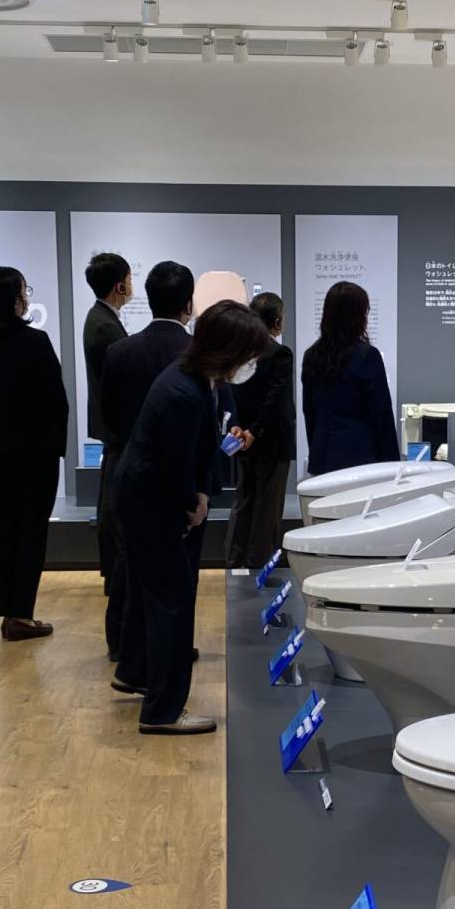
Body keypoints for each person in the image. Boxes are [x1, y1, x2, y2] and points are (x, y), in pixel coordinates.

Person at [113, 300, 274, 734]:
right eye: (247, 355)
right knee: (173, 601)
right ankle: (163, 711)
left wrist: (199, 491)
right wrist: (193, 503)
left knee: (155, 595)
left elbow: (198, 449)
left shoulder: (197, 380)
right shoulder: (183, 392)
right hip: (151, 503)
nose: (249, 365)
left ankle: (139, 675)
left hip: (151, 497)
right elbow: (174, 465)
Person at [100, 260, 202, 666]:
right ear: (188, 303)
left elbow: (108, 416)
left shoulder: (119, 352)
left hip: (130, 472)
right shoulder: (196, 355)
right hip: (181, 481)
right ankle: (171, 652)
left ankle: (124, 647)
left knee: (129, 564)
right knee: (178, 576)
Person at [0, 266, 68, 640]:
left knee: (6, 529)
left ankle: (9, 611)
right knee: (32, 531)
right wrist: (58, 446)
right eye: (23, 291)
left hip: (0, 446)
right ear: (12, 298)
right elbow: (57, 400)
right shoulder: (35, 341)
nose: (26, 297)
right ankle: (22, 614)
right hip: (38, 450)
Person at [224, 291, 294, 570]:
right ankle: (259, 568)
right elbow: (275, 399)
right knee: (268, 509)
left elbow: (233, 395)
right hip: (271, 442)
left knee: (244, 502)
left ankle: (235, 562)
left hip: (243, 440)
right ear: (277, 321)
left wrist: (242, 429)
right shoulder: (280, 354)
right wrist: (255, 430)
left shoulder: (239, 353)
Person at [301, 280, 400, 475]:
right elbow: (382, 415)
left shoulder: (312, 355)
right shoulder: (367, 355)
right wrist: (392, 465)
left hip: (323, 454)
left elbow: (309, 412)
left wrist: (315, 449)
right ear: (358, 316)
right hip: (360, 456)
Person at [82, 251, 133, 589]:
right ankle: (116, 575)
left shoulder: (102, 319)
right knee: (114, 507)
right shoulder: (105, 326)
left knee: (111, 502)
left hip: (112, 426)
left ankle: (115, 573)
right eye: (129, 279)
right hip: (118, 427)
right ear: (119, 286)